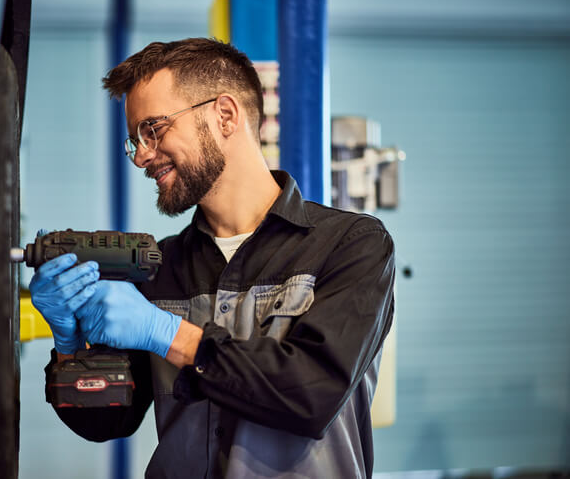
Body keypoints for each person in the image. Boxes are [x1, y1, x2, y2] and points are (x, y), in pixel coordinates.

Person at [29, 37, 395, 478]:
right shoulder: (159, 268)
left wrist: (169, 335)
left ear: (224, 115)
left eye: (154, 129)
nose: (142, 156)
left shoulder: (350, 244)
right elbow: (108, 421)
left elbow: (310, 394)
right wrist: (69, 343)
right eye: (135, 142)